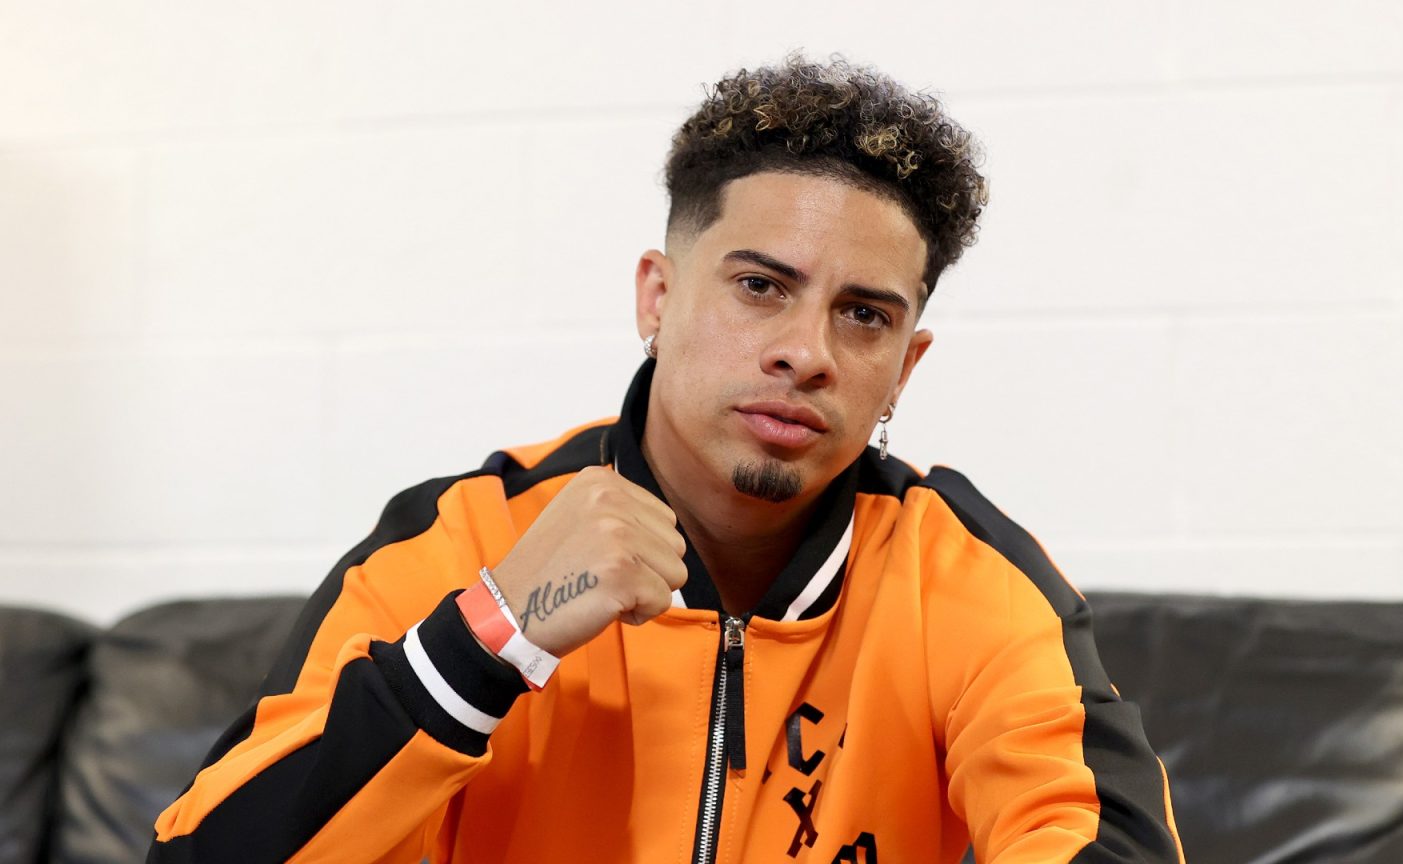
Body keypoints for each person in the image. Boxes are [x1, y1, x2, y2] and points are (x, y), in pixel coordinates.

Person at [150, 55, 1184, 863]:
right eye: (760, 287)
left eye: (864, 316)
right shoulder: (462, 538)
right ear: (658, 297)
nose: (807, 353)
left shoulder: (966, 580)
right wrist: (489, 638)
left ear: (904, 366)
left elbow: (1090, 833)